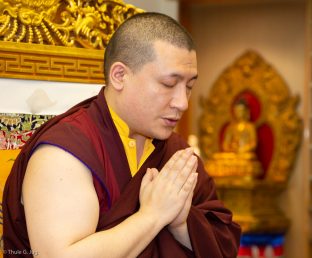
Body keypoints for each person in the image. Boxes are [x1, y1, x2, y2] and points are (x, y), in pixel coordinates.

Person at [3, 12, 241, 258]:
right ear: (119, 76)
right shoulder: (65, 153)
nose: (182, 103)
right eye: (169, 84)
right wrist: (153, 216)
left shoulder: (174, 153)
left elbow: (222, 239)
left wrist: (182, 223)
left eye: (189, 87)